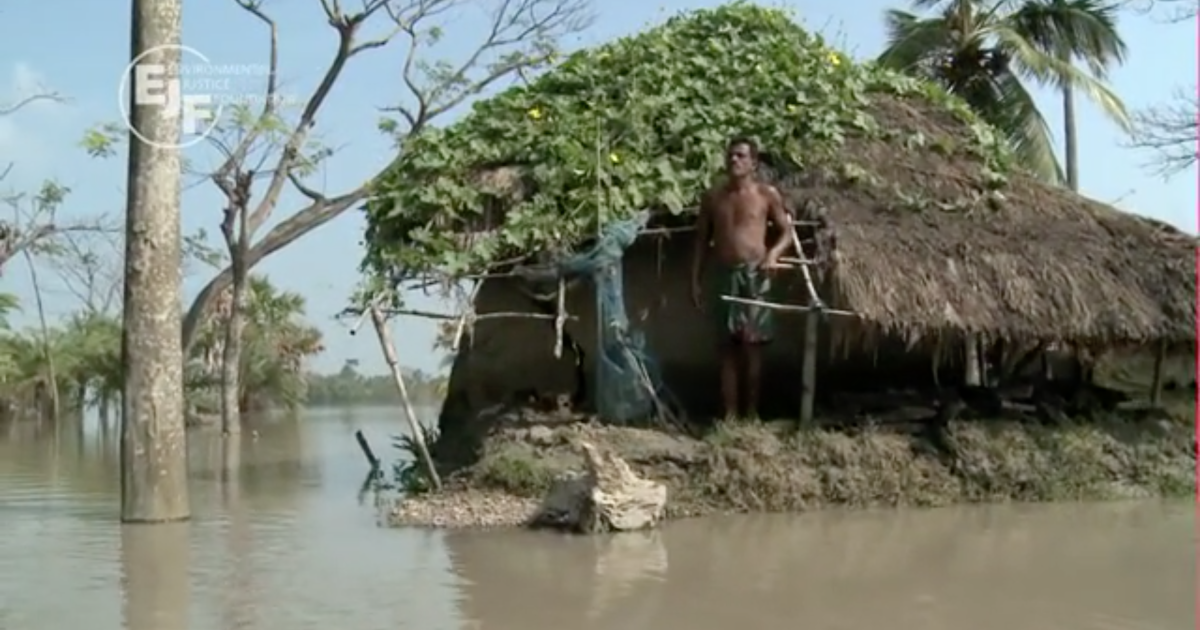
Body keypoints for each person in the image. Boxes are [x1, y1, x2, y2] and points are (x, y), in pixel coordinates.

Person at [690, 137, 793, 421]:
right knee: (726, 348)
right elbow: (701, 242)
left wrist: (773, 255)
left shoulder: (765, 195)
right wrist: (695, 280)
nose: (734, 161)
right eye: (730, 156)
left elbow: (787, 232)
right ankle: (730, 417)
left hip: (755, 276)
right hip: (724, 276)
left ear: (753, 163)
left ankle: (752, 415)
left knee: (753, 347)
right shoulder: (713, 198)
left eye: (740, 156)